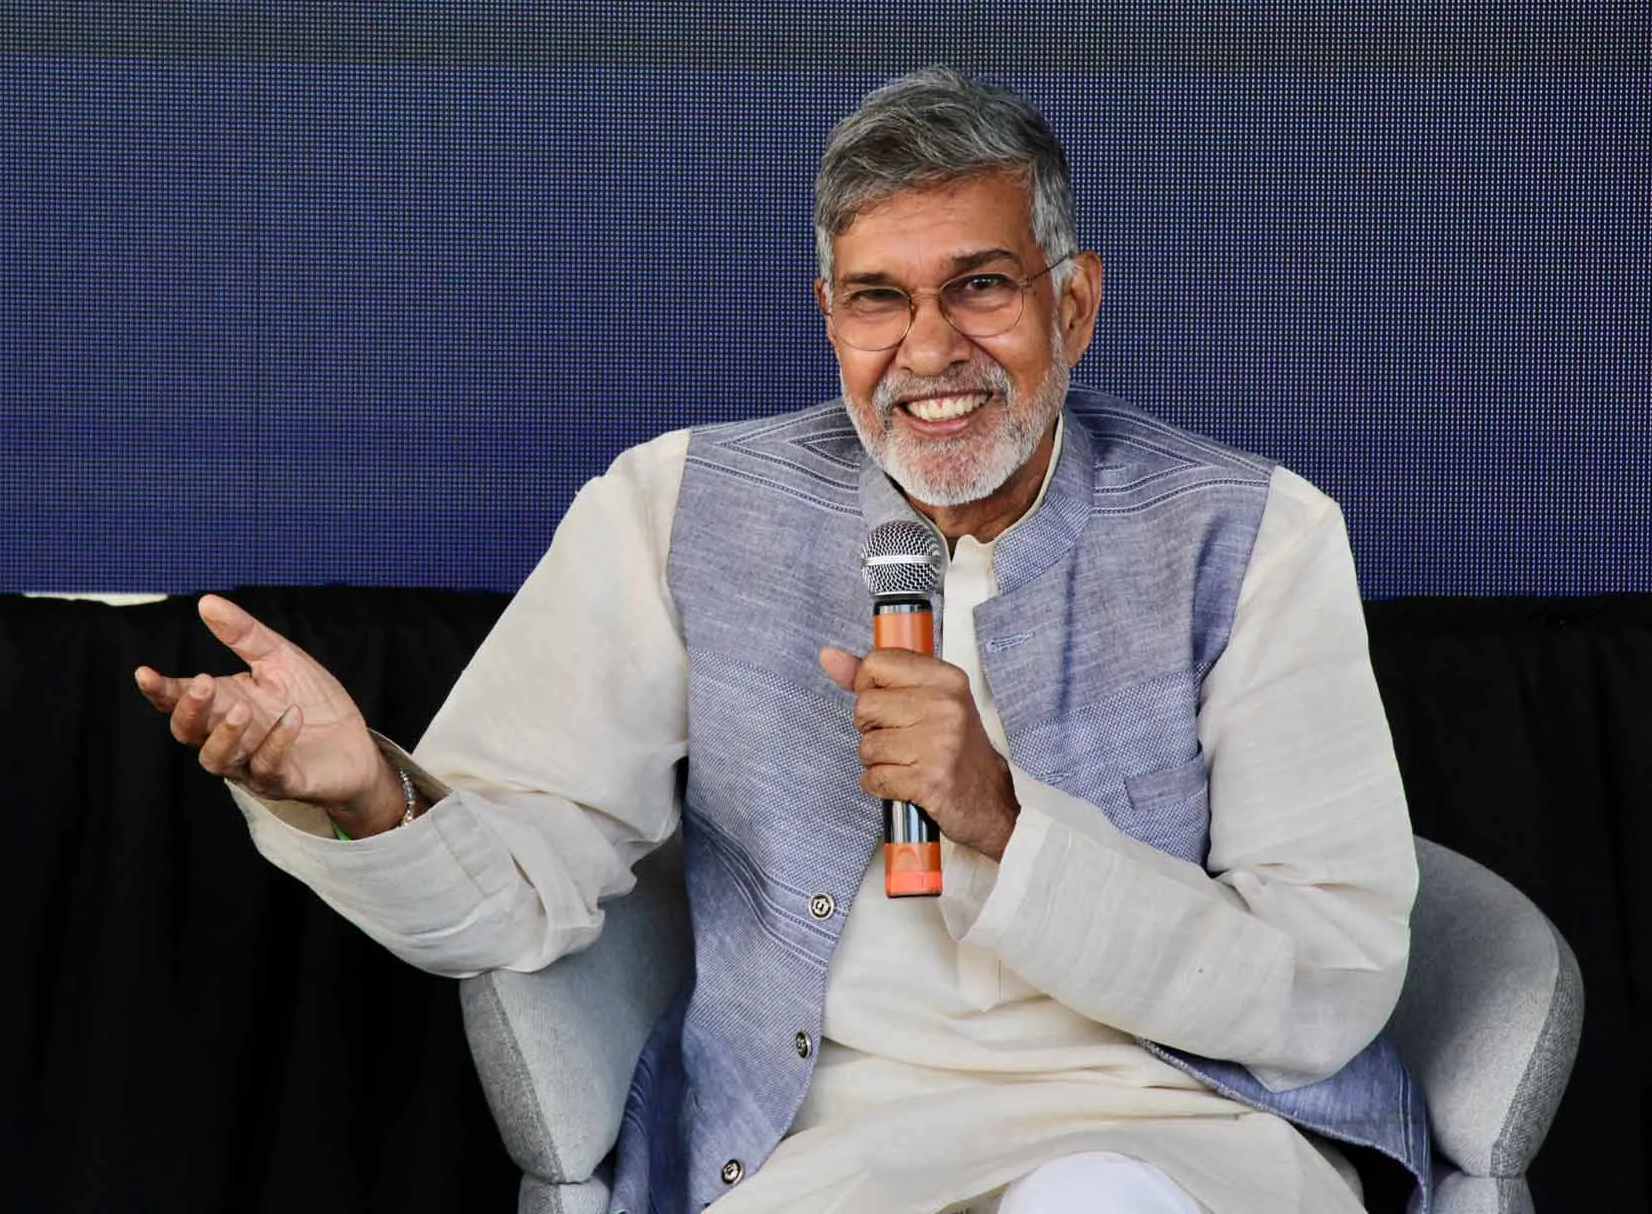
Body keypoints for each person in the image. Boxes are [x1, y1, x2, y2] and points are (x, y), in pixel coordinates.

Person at [134, 67, 1427, 1214]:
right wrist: (372, 791)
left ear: (1072, 305)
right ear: (829, 317)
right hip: (833, 1141)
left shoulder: (1251, 534)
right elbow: (529, 878)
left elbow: (1327, 983)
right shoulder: (678, 504)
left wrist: (1003, 821)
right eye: (880, 299)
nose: (929, 352)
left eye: (979, 288)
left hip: (1174, 1128)